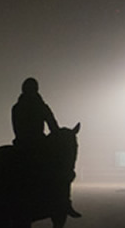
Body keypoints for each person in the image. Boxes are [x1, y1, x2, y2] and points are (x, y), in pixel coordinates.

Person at [12, 77, 82, 218]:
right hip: (38, 143)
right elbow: (53, 128)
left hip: (21, 144)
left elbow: (17, 128)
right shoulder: (42, 107)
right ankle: (64, 202)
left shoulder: (17, 107)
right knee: (63, 172)